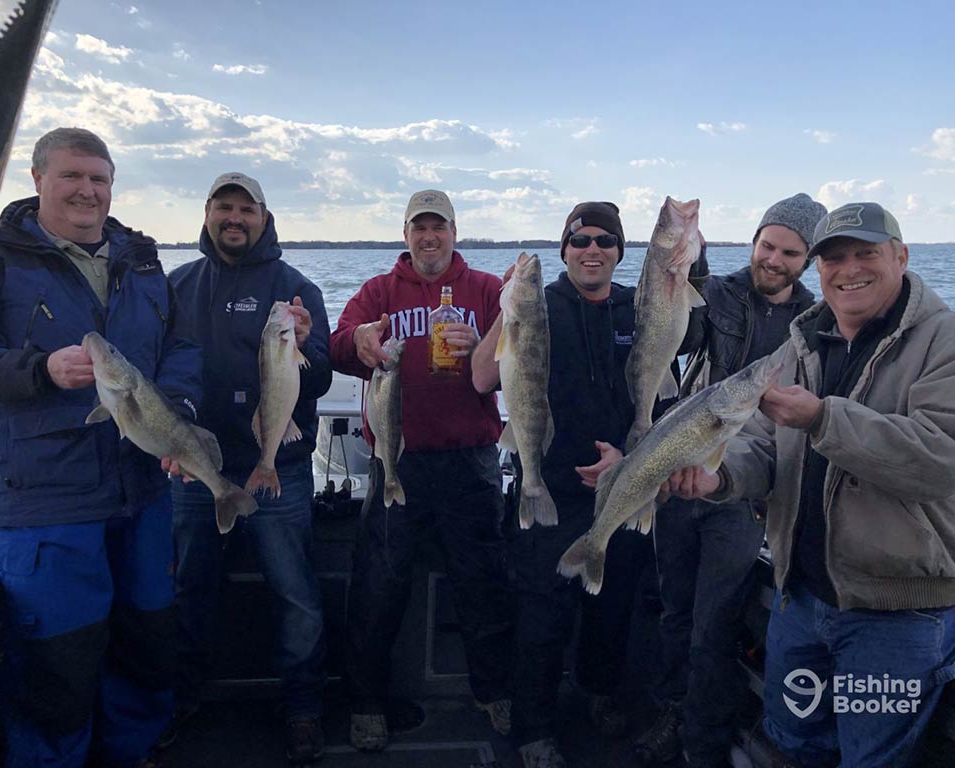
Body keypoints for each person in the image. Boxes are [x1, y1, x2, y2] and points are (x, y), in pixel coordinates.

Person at [664, 202, 955, 768]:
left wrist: (823, 419)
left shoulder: (951, 342)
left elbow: (944, 459)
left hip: (896, 619)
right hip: (800, 602)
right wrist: (720, 476)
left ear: (901, 257)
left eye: (865, 254)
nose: (847, 269)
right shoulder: (802, 344)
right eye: (834, 257)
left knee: (869, 760)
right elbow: (760, 443)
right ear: (819, 269)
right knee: (794, 745)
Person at [0, 127, 202, 768]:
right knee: (56, 662)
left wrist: (178, 421)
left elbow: (180, 352)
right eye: (72, 176)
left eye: (99, 178)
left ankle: (132, 753)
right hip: (44, 501)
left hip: (141, 489)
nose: (87, 190)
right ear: (37, 180)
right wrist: (38, 370)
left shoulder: (142, 261)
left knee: (146, 642)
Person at [471, 201, 704, 768]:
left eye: (604, 240)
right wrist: (511, 306)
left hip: (628, 481)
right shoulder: (538, 304)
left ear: (622, 251)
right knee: (541, 613)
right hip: (548, 484)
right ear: (564, 250)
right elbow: (481, 376)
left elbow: (675, 383)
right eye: (579, 241)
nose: (592, 249)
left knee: (614, 606)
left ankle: (599, 694)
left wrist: (629, 459)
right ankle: (534, 728)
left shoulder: (642, 306)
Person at [636, 193, 827, 768]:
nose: (773, 259)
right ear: (753, 242)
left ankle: (702, 736)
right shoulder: (714, 293)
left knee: (713, 620)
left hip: (745, 492)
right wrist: (679, 262)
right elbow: (677, 336)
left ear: (809, 258)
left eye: (790, 252)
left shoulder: (814, 323)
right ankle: (672, 711)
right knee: (674, 609)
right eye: (767, 245)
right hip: (680, 470)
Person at [329, 189, 513, 751]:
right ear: (405, 235)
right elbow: (336, 348)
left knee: (483, 584)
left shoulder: (486, 290)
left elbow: (520, 366)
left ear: (455, 233)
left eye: (439, 227)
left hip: (472, 463)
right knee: (378, 587)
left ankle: (494, 692)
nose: (429, 237)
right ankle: (365, 701)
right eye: (418, 228)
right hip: (396, 461)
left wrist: (488, 341)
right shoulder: (378, 291)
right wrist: (357, 342)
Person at [163, 172, 331, 763]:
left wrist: (306, 346)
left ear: (265, 216)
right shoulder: (177, 285)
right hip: (195, 470)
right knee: (187, 589)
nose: (235, 218)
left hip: (276, 471)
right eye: (224, 207)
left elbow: (324, 375)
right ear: (207, 212)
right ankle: (181, 699)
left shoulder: (295, 287)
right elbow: (158, 370)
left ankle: (304, 707)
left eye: (246, 209)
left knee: (297, 595)